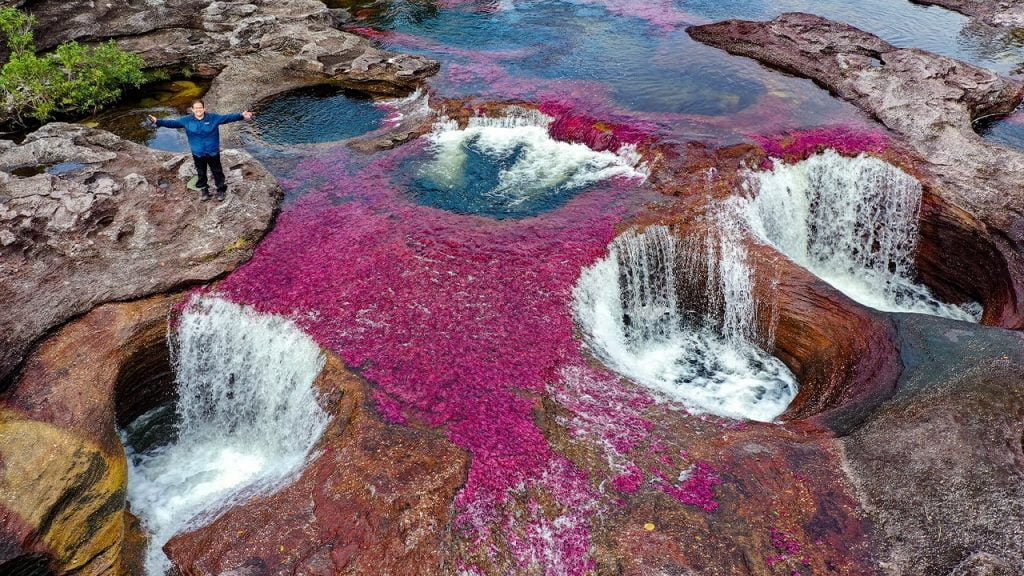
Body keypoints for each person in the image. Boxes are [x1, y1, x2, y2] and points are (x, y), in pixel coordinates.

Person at [147, 100, 254, 201]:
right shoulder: (186, 120)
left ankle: (221, 190)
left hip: (213, 152)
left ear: (204, 108)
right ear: (192, 110)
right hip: (198, 153)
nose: (198, 110)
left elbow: (227, 118)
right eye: (196, 108)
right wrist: (157, 121)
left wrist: (241, 115)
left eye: (200, 108)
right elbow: (171, 123)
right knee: (201, 172)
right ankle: (204, 190)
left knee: (217, 171)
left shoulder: (213, 118)